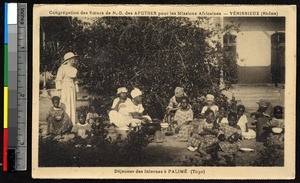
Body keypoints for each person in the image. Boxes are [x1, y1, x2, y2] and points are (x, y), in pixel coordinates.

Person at [55, 52, 79, 125]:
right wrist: (59, 90)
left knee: (72, 105)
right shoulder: (62, 68)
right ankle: (65, 124)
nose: (74, 60)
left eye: (74, 59)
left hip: (72, 89)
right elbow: (58, 79)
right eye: (73, 59)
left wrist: (76, 91)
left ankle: (72, 123)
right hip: (65, 88)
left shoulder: (74, 69)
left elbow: (75, 81)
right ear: (68, 60)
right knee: (65, 104)